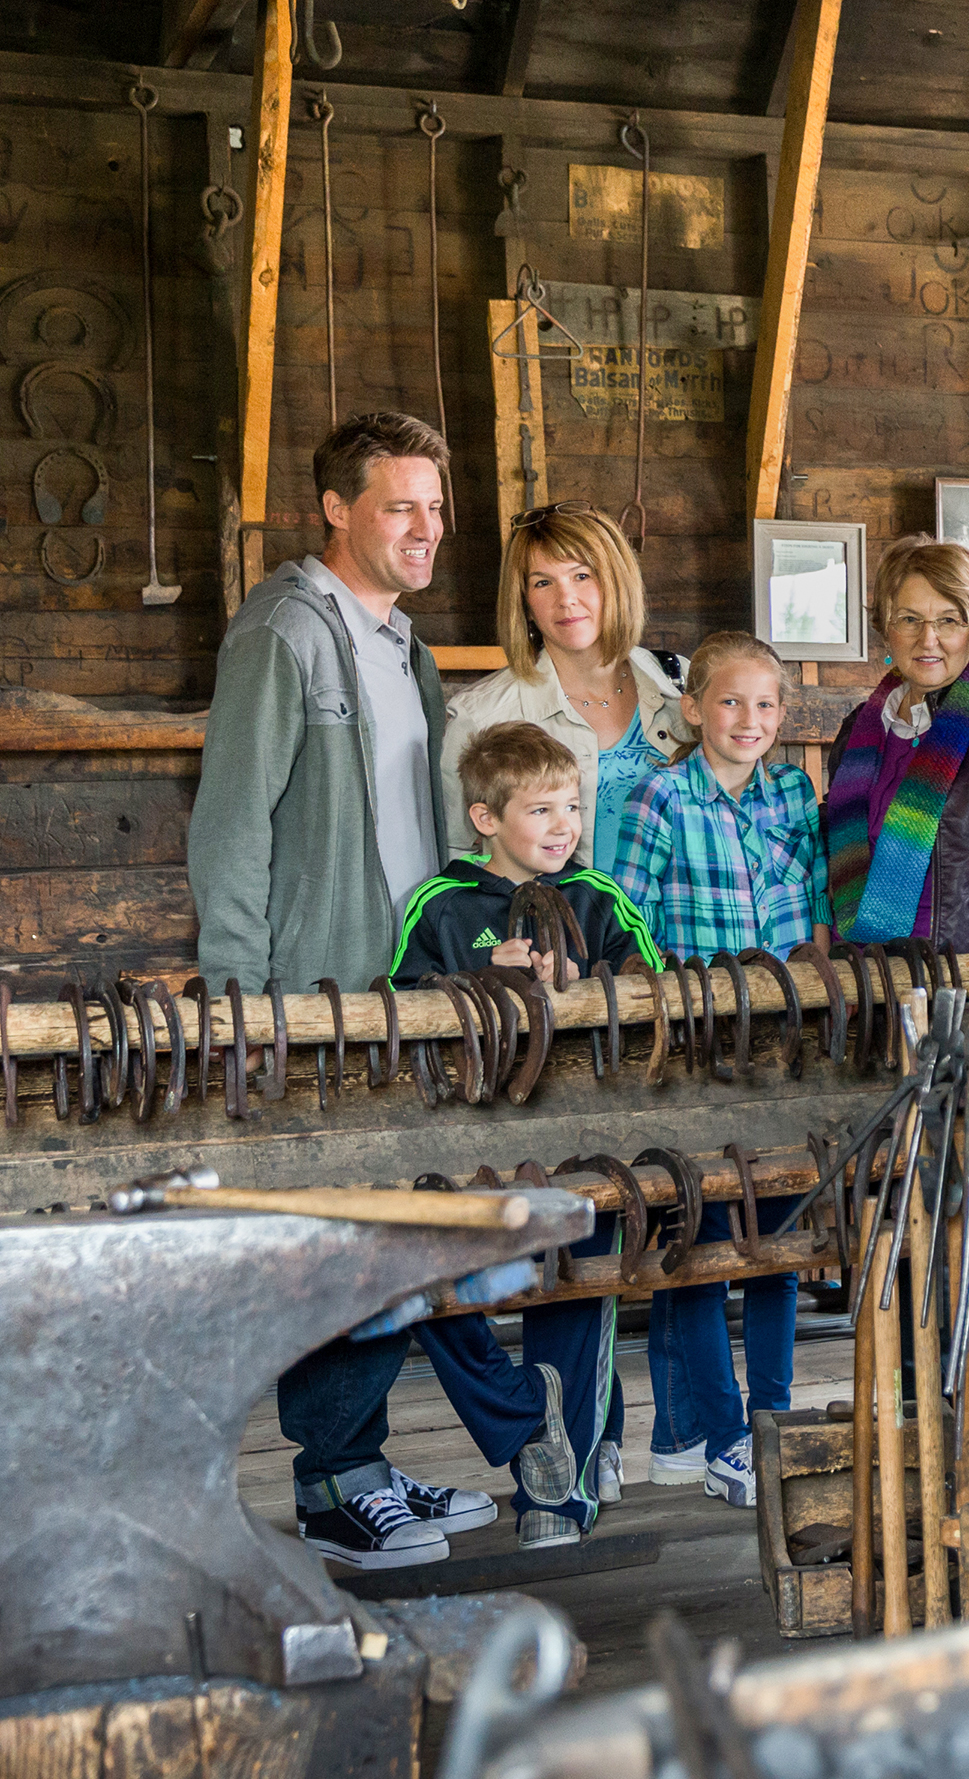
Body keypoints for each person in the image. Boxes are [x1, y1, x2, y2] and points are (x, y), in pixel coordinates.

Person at [190, 410, 495, 1569]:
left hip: (409, 984)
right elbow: (230, 828)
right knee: (336, 1239)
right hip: (317, 993)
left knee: (389, 1231)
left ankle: (357, 1459)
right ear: (337, 508)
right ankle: (331, 1491)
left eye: (433, 504)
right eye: (399, 505)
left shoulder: (403, 643)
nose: (427, 527)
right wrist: (243, 1001)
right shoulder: (285, 631)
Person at [390, 723, 666, 1547]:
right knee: (421, 1282)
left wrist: (579, 987)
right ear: (483, 818)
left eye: (572, 807)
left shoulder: (598, 900)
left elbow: (657, 984)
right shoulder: (438, 907)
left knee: (579, 1288)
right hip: (471, 1141)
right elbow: (399, 1003)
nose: (563, 826)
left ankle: (558, 1493)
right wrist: (479, 985)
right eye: (539, 809)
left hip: (585, 1134)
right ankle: (525, 1424)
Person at [609, 631, 831, 1505]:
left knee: (777, 1245)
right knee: (701, 1246)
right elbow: (629, 926)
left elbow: (815, 909)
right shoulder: (659, 797)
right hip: (698, 1057)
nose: (750, 720)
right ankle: (723, 1433)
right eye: (731, 703)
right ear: (693, 708)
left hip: (781, 1049)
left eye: (767, 705)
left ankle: (771, 1421)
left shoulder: (791, 792)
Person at [822, 537, 969, 952]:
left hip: (953, 983)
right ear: (886, 629)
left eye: (949, 620)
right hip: (855, 979)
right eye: (910, 619)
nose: (928, 639)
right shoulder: (859, 727)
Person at [439, 503, 686, 877]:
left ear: (616, 580)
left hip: (684, 931)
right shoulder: (479, 717)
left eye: (582, 575)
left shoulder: (682, 685)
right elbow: (456, 861)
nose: (565, 598)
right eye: (543, 582)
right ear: (524, 602)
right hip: (556, 932)